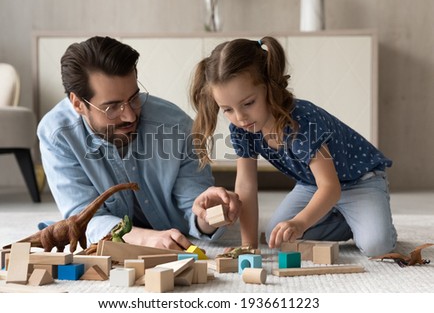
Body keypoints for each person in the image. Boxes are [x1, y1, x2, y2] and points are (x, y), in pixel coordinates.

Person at [190, 36, 397, 257]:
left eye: (248, 103)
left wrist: (300, 223)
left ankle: (368, 222)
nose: (240, 117)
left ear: (270, 87)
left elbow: (330, 187)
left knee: (377, 246)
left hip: (360, 181)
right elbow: (246, 186)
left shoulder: (301, 121)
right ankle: (347, 220)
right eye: (227, 110)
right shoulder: (242, 128)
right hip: (312, 185)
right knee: (277, 237)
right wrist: (249, 246)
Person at [37, 36, 241, 251]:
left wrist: (210, 214)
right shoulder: (57, 135)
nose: (130, 116)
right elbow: (82, 219)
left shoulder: (177, 127)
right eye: (112, 107)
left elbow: (193, 210)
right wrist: (145, 239)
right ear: (78, 104)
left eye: (134, 98)